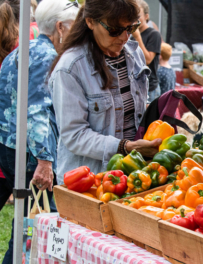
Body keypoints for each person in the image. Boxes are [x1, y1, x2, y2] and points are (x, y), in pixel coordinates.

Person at [0, 1, 79, 262]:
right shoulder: (47, 57)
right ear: (60, 27)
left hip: (10, 147)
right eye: (74, 26)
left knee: (28, 219)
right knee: (40, 221)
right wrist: (45, 161)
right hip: (31, 155)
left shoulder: (24, 51)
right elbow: (37, 111)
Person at [49, 0, 161, 184]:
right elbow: (74, 135)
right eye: (115, 30)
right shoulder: (70, 68)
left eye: (131, 28)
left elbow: (133, 109)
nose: (124, 37)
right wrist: (124, 147)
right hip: (88, 180)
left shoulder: (134, 54)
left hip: (131, 175)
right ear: (90, 22)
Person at [133, 0, 162, 103]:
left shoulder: (153, 34)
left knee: (151, 119)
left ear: (146, 16)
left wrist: (137, 37)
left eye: (138, 16)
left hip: (150, 88)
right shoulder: (128, 34)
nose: (135, 20)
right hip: (135, 87)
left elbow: (147, 60)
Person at [0, 0, 39, 67]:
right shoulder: (26, 35)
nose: (32, 17)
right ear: (25, 16)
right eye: (31, 14)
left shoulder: (4, 33)